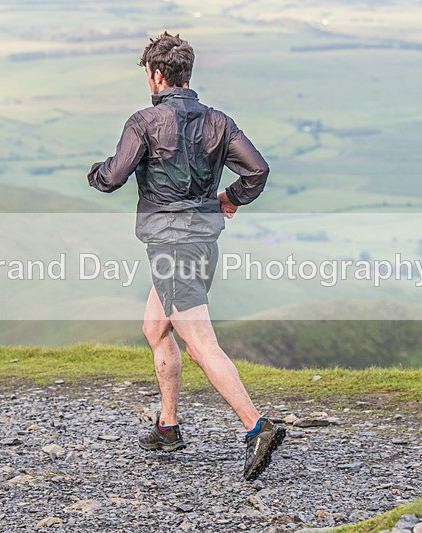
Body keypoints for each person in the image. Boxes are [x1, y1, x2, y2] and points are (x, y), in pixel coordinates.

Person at [87, 31, 284, 481]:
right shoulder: (219, 121)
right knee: (155, 327)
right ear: (186, 73)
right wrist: (230, 197)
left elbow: (114, 176)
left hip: (171, 246)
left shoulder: (144, 122)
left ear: (156, 75)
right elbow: (258, 169)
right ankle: (169, 427)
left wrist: (95, 173)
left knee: (200, 343)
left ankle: (258, 427)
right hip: (200, 243)